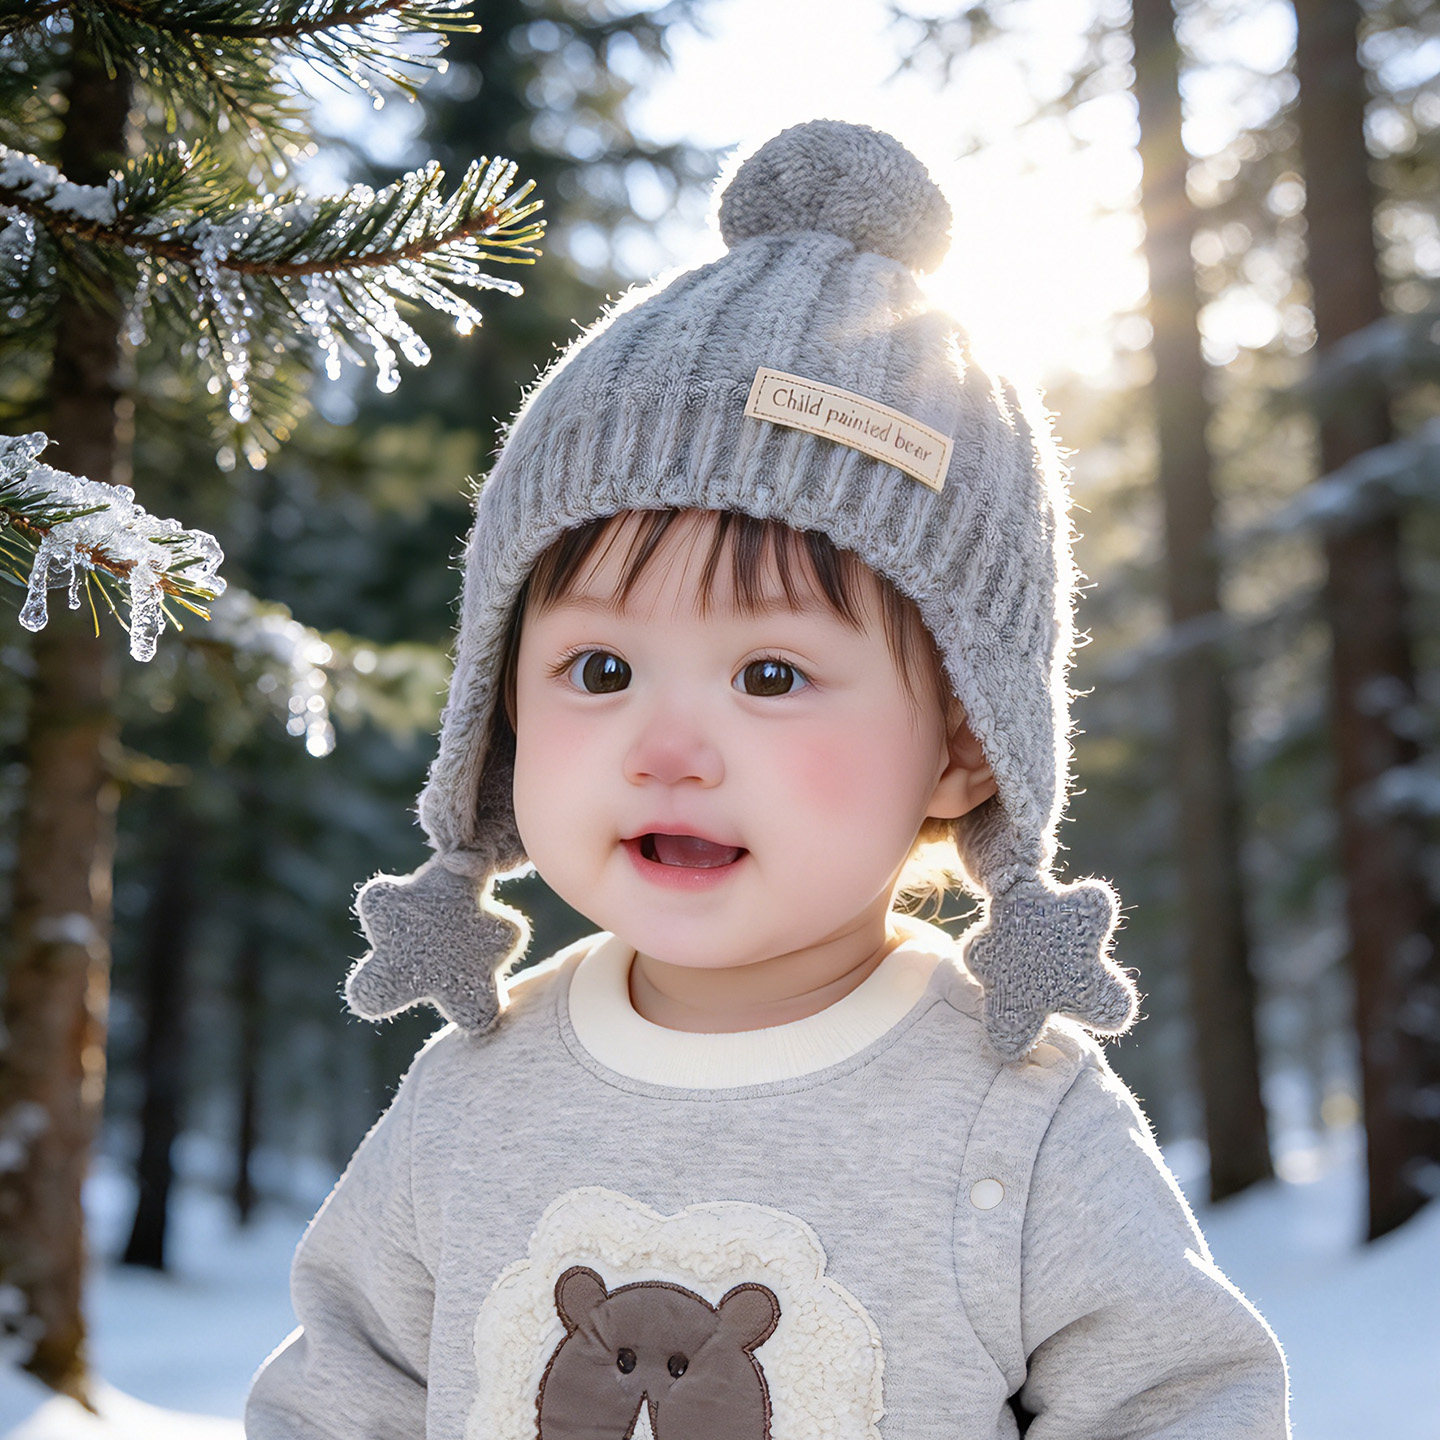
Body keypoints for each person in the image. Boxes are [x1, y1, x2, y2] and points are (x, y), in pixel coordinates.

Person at [245, 120, 1291, 1439]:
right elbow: (341, 1398)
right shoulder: (473, 1093)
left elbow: (1181, 1404)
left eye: (772, 677)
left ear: (967, 740)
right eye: (602, 671)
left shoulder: (1013, 1117)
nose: (667, 748)